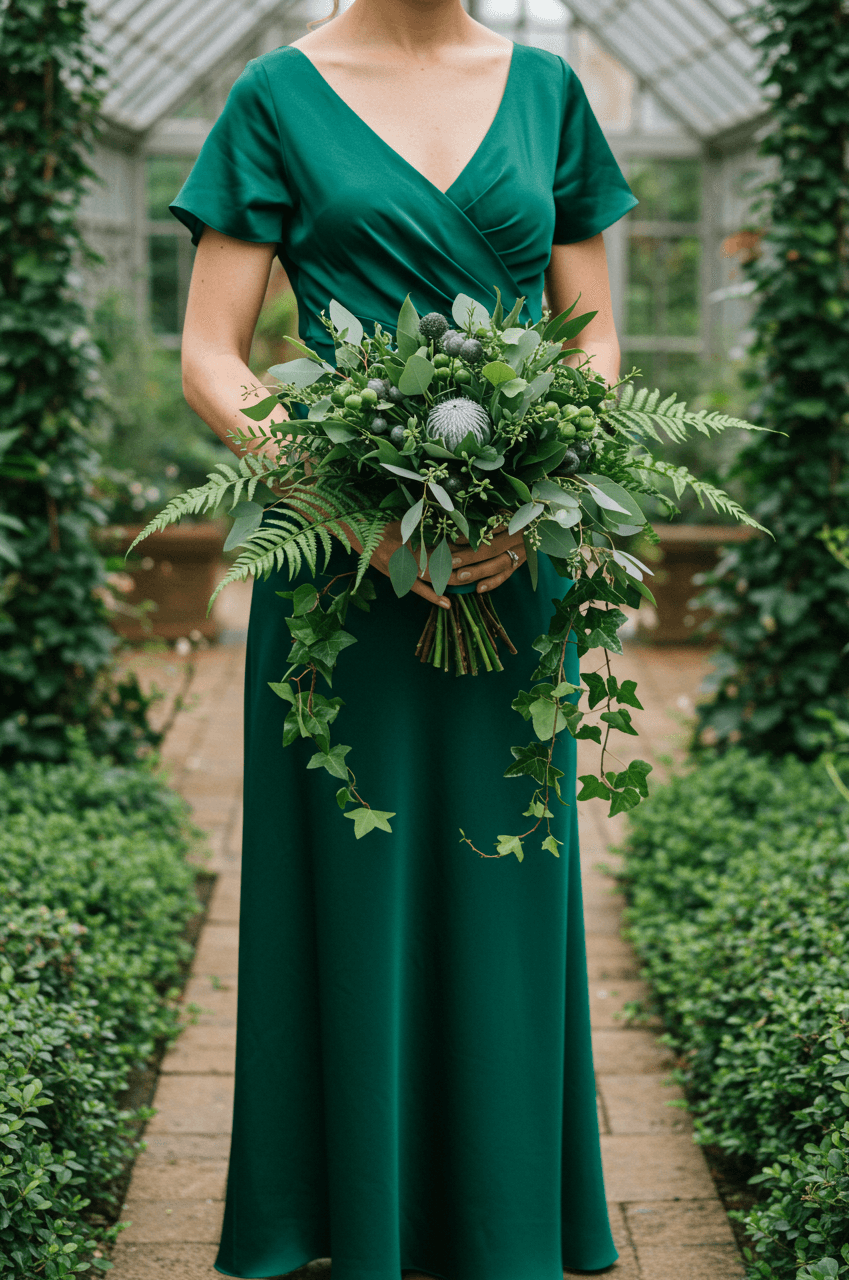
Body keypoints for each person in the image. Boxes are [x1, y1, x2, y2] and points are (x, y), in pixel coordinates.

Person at [170, 0, 637, 1274]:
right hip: (337, 577)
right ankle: (342, 1213)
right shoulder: (274, 94)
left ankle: (502, 1211)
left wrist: (533, 486)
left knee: (507, 868)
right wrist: (344, 503)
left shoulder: (547, 88)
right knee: (348, 875)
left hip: (507, 566)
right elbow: (211, 354)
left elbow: (591, 336)